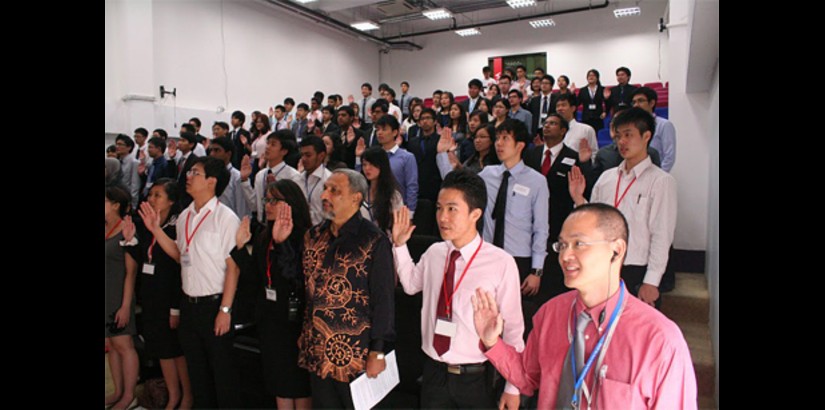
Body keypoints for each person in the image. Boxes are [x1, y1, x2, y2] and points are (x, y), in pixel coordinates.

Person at [473, 203, 697, 409]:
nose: (565, 255)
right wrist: (492, 341)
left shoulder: (659, 338)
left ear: (616, 250)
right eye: (562, 245)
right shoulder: (551, 314)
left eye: (579, 244)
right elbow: (527, 377)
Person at [391, 169, 525, 409]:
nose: (442, 217)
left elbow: (514, 330)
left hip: (475, 377)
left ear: (475, 214)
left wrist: (513, 386)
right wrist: (400, 246)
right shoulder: (434, 253)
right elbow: (411, 286)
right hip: (434, 372)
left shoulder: (500, 262)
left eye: (452, 209)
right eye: (439, 208)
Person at [141, 156, 243, 408]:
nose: (188, 176)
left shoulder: (225, 217)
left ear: (211, 181)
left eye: (195, 172)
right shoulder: (186, 215)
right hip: (189, 306)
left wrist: (225, 310)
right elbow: (180, 255)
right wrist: (155, 230)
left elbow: (234, 267)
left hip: (215, 305)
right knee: (197, 374)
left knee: (223, 375)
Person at [298, 169, 395, 408]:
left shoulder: (373, 240)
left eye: (335, 190)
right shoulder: (313, 236)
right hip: (317, 347)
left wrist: (378, 350)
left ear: (356, 198)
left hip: (354, 355)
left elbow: (383, 299)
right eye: (325, 189)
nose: (325, 195)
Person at [568, 108, 677, 308]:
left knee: (635, 335)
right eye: (618, 136)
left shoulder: (661, 181)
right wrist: (579, 199)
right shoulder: (607, 178)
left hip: (637, 269)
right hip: (604, 267)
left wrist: (652, 281)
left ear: (646, 136)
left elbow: (662, 234)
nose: (622, 142)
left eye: (628, 135)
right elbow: (595, 221)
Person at [232, 179, 312, 409]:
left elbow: (296, 278)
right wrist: (240, 248)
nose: (268, 204)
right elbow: (254, 279)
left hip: (295, 321)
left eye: (275, 200)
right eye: (267, 199)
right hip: (269, 320)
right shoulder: (264, 236)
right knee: (278, 382)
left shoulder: (305, 237)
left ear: (292, 204)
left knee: (298, 383)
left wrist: (282, 244)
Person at [121, 179, 193, 410]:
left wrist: (175, 308)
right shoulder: (147, 223)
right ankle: (172, 396)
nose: (151, 199)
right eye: (150, 194)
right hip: (151, 296)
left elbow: (178, 268)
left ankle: (187, 396)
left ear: (172, 200)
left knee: (176, 351)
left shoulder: (176, 225)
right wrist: (130, 239)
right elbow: (144, 257)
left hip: (170, 298)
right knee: (162, 350)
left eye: (158, 195)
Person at [479, 120, 549, 335]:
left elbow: (541, 228)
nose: (499, 143)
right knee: (485, 314)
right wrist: (444, 156)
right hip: (487, 256)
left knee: (512, 322)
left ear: (519, 145)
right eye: (498, 138)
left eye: (505, 139)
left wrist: (536, 270)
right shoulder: (486, 175)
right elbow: (457, 186)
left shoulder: (536, 181)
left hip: (518, 259)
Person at [524, 114, 594, 298]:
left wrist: (585, 163)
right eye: (545, 123)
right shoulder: (531, 154)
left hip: (557, 223)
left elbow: (582, 190)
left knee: (553, 277)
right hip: (529, 222)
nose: (547, 126)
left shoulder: (572, 157)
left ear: (563, 130)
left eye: (553, 123)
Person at [105, 186, 140, 410]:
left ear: (115, 204)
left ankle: (129, 394)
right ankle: (118, 390)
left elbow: (131, 272)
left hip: (118, 294)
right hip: (106, 294)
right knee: (110, 343)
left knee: (123, 343)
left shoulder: (126, 230)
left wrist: (126, 305)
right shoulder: (107, 229)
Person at [356, 114, 418, 217]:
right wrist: (358, 157)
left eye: (384, 129)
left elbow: (412, 186)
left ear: (395, 132)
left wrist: (410, 213)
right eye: (378, 129)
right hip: (371, 205)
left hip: (396, 208)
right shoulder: (373, 154)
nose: (379, 133)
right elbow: (361, 178)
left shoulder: (407, 157)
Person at [240, 130, 303, 224]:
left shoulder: (293, 176)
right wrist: (244, 180)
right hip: (261, 226)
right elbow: (255, 206)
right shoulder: (260, 175)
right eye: (267, 143)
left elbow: (296, 208)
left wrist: (275, 193)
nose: (267, 147)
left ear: (284, 151)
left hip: (282, 226)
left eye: (273, 144)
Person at [632, 87, 676, 172]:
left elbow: (669, 156)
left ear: (651, 103)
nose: (636, 105)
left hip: (656, 174)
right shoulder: (633, 126)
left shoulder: (664, 125)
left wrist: (658, 175)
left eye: (640, 101)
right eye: (634, 102)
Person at [359, 147, 403, 233]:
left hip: (384, 240)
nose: (367, 168)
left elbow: (397, 224)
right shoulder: (360, 191)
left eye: (372, 164)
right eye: (364, 164)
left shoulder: (393, 196)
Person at [209, 137, 252, 218]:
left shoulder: (237, 176)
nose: (212, 154)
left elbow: (241, 208)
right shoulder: (209, 174)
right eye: (211, 150)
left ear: (228, 154)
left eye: (217, 150)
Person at [407, 108, 442, 203]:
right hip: (417, 184)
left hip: (435, 183)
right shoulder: (412, 142)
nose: (425, 121)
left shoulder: (440, 140)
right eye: (422, 119)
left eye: (428, 118)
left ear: (435, 121)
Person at [298, 136, 332, 226]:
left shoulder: (329, 180)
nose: (303, 159)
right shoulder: (297, 179)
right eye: (302, 155)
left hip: (321, 233)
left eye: (308, 155)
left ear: (321, 156)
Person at [556, 94, 598, 163]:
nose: (560, 109)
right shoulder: (553, 130)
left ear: (573, 108)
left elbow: (594, 154)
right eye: (557, 106)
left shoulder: (586, 130)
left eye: (563, 105)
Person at [115, 134, 141, 209]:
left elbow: (135, 185)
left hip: (127, 199)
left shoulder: (134, 162)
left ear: (129, 147)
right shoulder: (118, 161)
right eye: (116, 144)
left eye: (120, 144)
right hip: (117, 197)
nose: (117, 147)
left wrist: (133, 205)